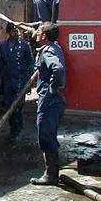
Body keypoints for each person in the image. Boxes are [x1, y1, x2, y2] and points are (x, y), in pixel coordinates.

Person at [30, 22, 67, 186]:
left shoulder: (47, 51)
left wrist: (52, 88)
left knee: (45, 134)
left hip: (49, 100)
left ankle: (51, 175)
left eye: (39, 30)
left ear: (44, 35)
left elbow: (57, 69)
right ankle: (52, 173)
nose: (36, 32)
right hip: (54, 100)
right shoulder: (54, 47)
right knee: (48, 133)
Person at [0, 22, 34, 141]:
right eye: (13, 31)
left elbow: (30, 64)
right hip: (7, 82)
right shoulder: (3, 46)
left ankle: (18, 131)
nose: (16, 33)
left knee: (17, 107)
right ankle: (13, 129)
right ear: (9, 33)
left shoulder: (24, 46)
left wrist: (28, 82)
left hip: (20, 82)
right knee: (9, 107)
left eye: (17, 31)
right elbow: (0, 64)